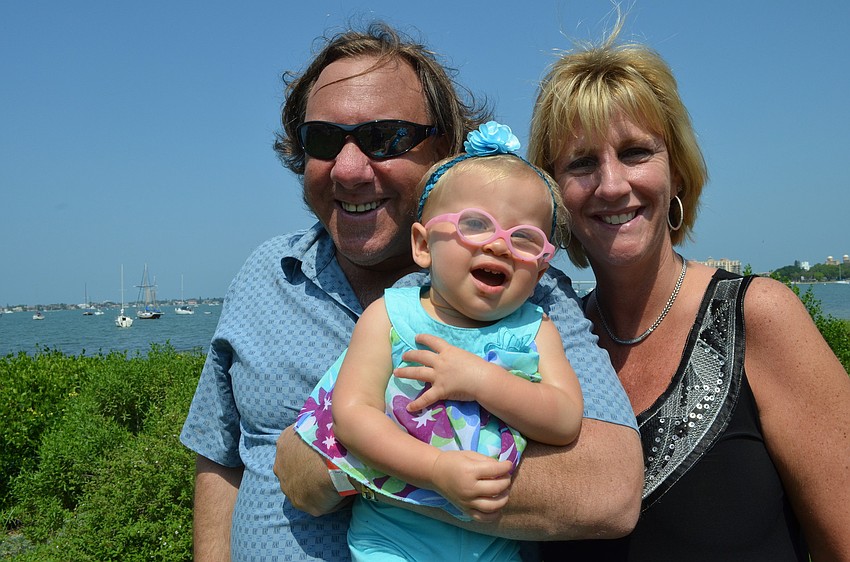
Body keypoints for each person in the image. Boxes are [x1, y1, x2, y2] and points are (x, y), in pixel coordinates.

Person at [181, 21, 641, 562]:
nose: (349, 169)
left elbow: (608, 493)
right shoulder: (263, 273)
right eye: (324, 140)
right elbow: (221, 460)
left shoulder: (529, 297)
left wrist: (339, 465)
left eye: (384, 138)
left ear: (445, 153)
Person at [527, 21, 850, 561]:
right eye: (581, 163)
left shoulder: (759, 317)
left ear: (676, 171)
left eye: (635, 152)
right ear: (553, 194)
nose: (611, 184)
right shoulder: (549, 346)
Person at [294, 122, 584, 561]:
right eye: (475, 225)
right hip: (393, 541)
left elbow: (564, 418)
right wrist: (436, 470)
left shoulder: (535, 330)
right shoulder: (390, 317)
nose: (500, 246)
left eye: (524, 238)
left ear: (541, 269)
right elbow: (352, 416)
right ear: (423, 245)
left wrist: (480, 380)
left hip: (496, 550)